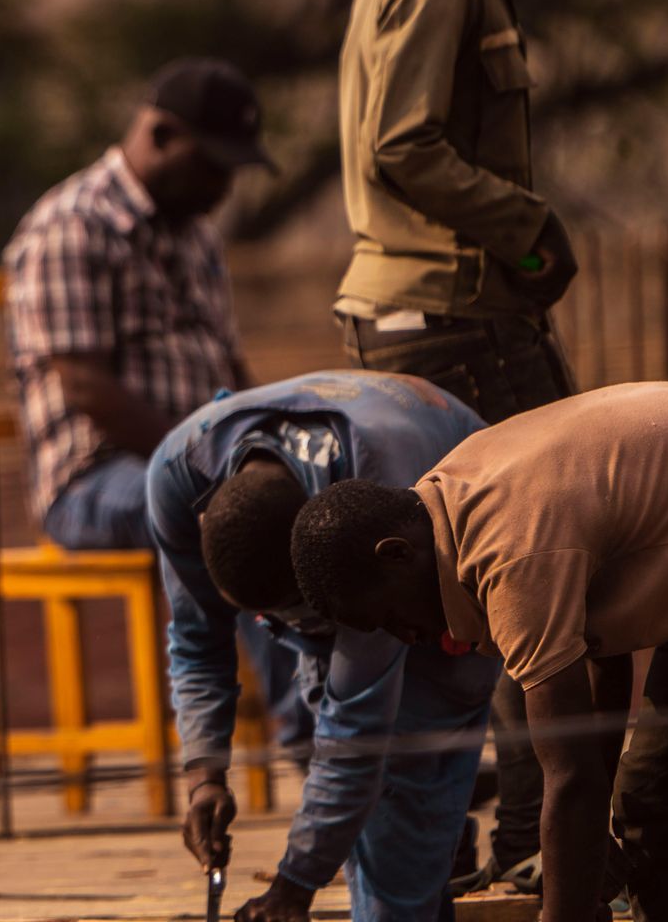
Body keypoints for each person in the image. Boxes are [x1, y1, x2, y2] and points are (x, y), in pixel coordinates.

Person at [333, 0, 604, 891]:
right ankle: (543, 847)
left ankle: (486, 847)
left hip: (442, 313)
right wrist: (528, 227)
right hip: (453, 319)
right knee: (562, 574)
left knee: (478, 597)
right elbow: (404, 146)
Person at [290, 382, 668, 922]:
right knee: (647, 803)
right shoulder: (453, 488)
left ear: (396, 556)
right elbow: (600, 677)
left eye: (389, 619)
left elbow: (570, 778)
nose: (408, 638)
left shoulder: (509, 558)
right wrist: (585, 859)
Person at [148, 369, 497, 922]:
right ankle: (432, 854)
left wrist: (293, 886)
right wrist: (204, 776)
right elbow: (195, 639)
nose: (303, 634)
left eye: (311, 618)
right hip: (364, 551)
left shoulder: (377, 503)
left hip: (445, 563)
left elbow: (356, 732)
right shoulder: (178, 473)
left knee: (403, 786)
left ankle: (425, 852)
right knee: (386, 818)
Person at [4, 56, 270, 552]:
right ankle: (207, 634)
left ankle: (284, 631)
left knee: (297, 498)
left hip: (207, 466)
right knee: (239, 514)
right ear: (162, 135)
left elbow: (232, 367)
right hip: (93, 480)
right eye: (211, 166)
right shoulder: (74, 224)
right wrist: (206, 461)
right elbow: (86, 386)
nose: (222, 188)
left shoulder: (200, 237)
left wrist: (275, 442)